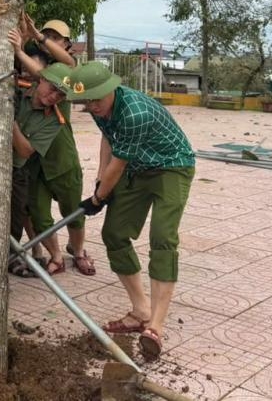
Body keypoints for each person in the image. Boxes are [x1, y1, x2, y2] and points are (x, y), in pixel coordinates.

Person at [64, 61, 195, 361]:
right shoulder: (99, 110)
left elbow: (119, 165)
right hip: (138, 167)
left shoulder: (134, 112)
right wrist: (99, 179)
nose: (92, 105)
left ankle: (156, 327)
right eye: (87, 100)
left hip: (171, 167)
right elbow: (108, 140)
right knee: (114, 234)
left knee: (162, 237)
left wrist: (98, 198)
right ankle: (140, 310)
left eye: (97, 98)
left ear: (112, 88)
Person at [12, 36, 94, 276]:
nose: (54, 95)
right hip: (34, 169)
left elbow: (69, 67)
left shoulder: (60, 104)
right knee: (38, 213)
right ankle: (56, 255)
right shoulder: (20, 92)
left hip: (62, 165)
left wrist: (38, 38)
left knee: (74, 213)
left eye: (60, 93)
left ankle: (77, 251)